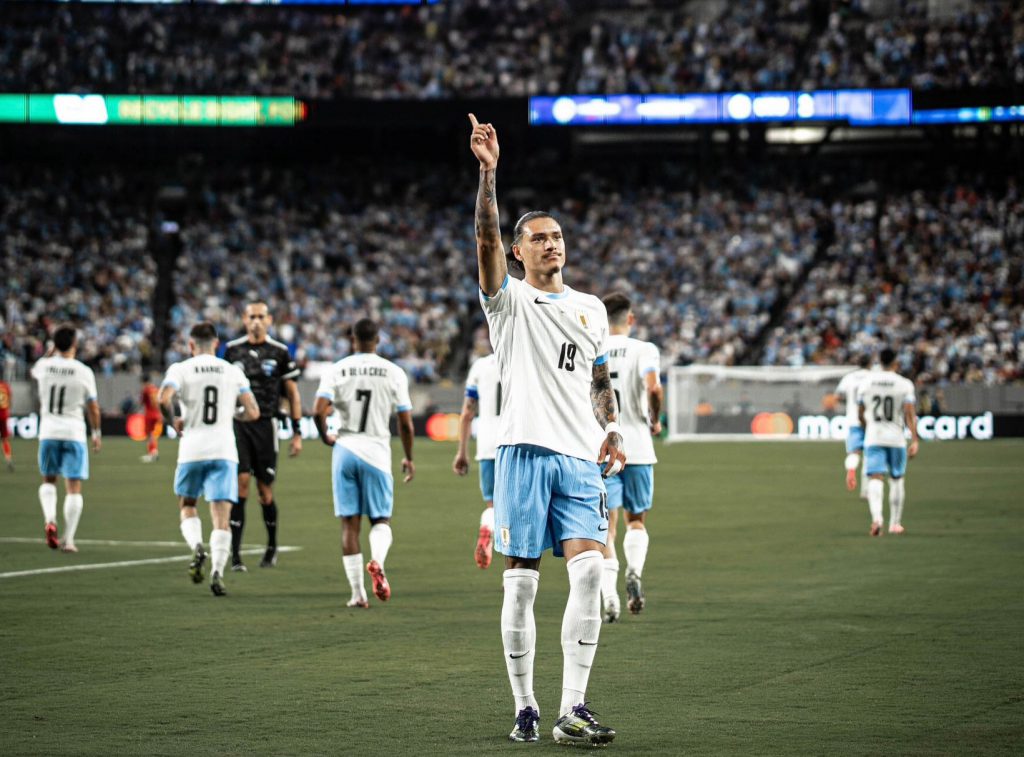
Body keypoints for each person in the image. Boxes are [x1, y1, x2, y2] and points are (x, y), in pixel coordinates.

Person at [469, 113, 625, 747]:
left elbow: (599, 378)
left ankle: (573, 708)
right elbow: (482, 237)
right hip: (524, 454)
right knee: (522, 581)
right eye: (539, 239)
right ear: (518, 250)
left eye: (557, 237)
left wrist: (611, 428)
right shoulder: (505, 300)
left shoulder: (590, 308)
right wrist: (489, 175)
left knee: (589, 573)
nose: (552, 246)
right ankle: (525, 704)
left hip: (581, 460)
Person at [312, 318, 415, 608]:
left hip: (345, 448)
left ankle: (357, 594)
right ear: (378, 340)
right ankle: (378, 561)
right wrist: (408, 457)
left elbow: (317, 411)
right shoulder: (393, 372)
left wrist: (325, 437)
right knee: (381, 520)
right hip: (377, 452)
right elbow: (405, 423)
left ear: (352, 339)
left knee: (349, 524)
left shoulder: (337, 369)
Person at [160, 322, 259, 597]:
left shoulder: (180, 369)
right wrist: (233, 414)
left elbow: (163, 398)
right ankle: (217, 571)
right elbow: (253, 411)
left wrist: (173, 422)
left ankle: (196, 547)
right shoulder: (232, 371)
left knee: (187, 504)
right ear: (216, 344)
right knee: (221, 517)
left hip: (192, 449)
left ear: (191, 345)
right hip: (224, 451)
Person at [222, 302, 303, 571]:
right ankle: (235, 555)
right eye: (251, 316)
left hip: (266, 425)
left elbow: (292, 393)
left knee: (264, 491)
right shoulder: (232, 350)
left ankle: (271, 547)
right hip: (239, 425)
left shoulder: (280, 352)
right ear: (244, 319)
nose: (256, 321)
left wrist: (297, 431)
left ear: (269, 320)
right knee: (240, 483)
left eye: (261, 316)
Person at [599, 292, 662, 622]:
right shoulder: (644, 350)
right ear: (630, 319)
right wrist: (655, 418)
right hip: (637, 447)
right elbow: (653, 388)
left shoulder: (592, 348)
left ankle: (609, 597)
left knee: (605, 529)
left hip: (604, 449)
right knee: (635, 521)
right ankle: (634, 573)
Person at [31, 324, 101, 552]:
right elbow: (93, 407)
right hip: (74, 433)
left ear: (54, 344)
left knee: (48, 480)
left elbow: (36, 369)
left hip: (49, 431)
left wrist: (50, 351)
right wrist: (96, 433)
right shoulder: (83, 371)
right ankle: (69, 540)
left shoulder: (43, 366)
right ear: (75, 344)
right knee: (73, 487)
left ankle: (50, 519)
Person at [856, 348, 919, 536]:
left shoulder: (866, 382)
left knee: (875, 477)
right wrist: (914, 439)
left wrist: (868, 428)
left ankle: (877, 519)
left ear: (879, 361)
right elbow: (909, 413)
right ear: (895, 362)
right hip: (896, 438)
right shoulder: (904, 384)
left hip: (874, 436)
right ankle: (895, 523)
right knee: (897, 479)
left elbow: (860, 412)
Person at [452, 345, 500, 569]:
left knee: (492, 505)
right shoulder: (523, 360)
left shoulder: (480, 367)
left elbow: (467, 413)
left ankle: (487, 527)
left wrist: (462, 451)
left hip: (488, 445)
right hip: (518, 443)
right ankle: (511, 575)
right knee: (518, 512)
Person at [835, 354, 872, 496]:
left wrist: (849, 403)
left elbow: (838, 396)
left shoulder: (849, 377)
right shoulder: (873, 377)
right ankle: (866, 490)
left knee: (854, 452)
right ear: (869, 364)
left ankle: (851, 470)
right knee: (870, 454)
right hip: (870, 421)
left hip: (853, 419)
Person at [140, 373, 162, 463]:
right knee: (152, 434)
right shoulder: (155, 388)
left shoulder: (146, 389)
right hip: (157, 414)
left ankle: (152, 453)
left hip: (149, 414)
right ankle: (154, 451)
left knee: (149, 434)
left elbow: (142, 401)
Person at [0, 374, 13, 471]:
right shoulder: (6, 386)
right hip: (4, 415)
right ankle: (8, 459)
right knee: (5, 439)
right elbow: (10, 400)